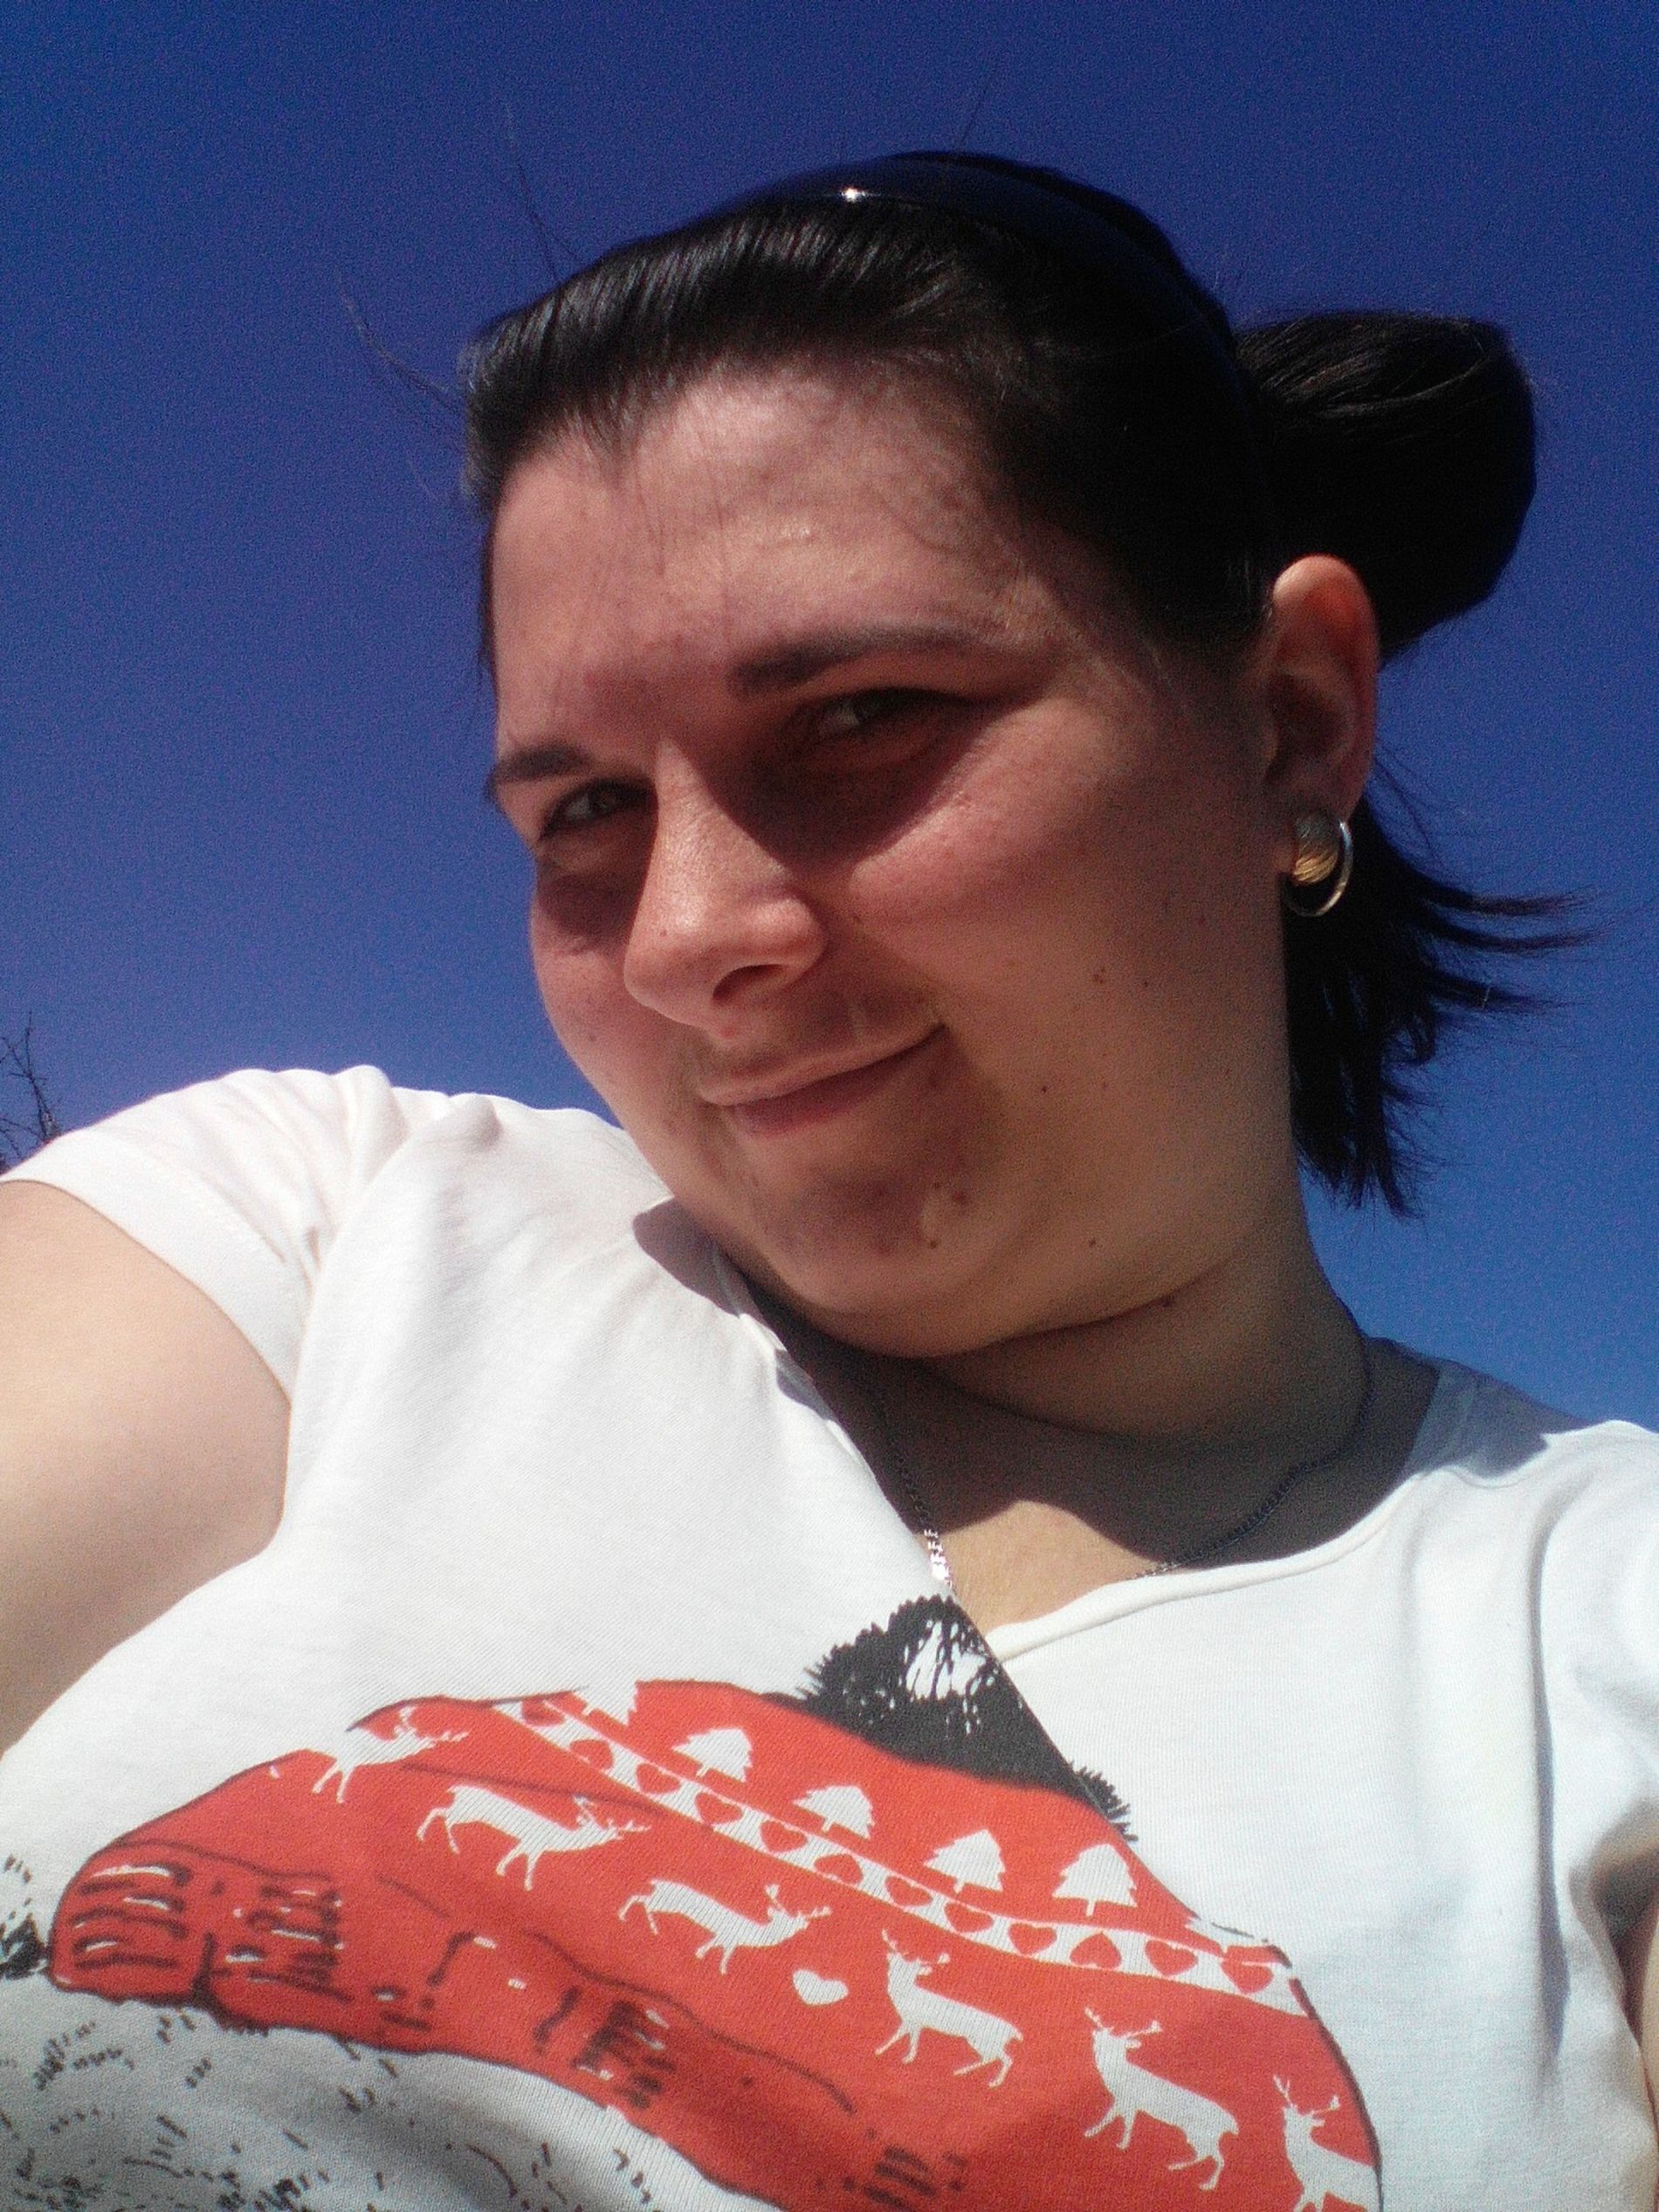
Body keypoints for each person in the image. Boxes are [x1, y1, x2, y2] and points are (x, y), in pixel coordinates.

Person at [0, 151, 1652, 2211]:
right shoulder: (319, 1235)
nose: (690, 935)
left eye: (863, 717)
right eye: (583, 810)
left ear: (1289, 724)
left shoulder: (1592, 1618)